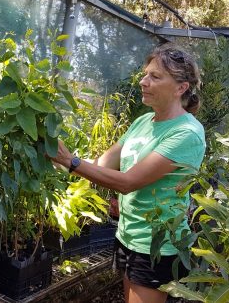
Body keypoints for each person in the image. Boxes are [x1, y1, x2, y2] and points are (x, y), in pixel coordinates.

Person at [50, 42, 205, 303]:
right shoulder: (143, 121)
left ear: (181, 87)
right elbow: (103, 165)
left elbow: (128, 182)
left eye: (155, 76)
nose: (143, 81)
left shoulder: (186, 134)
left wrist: (72, 162)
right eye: (145, 74)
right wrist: (64, 160)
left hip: (157, 245)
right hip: (128, 234)